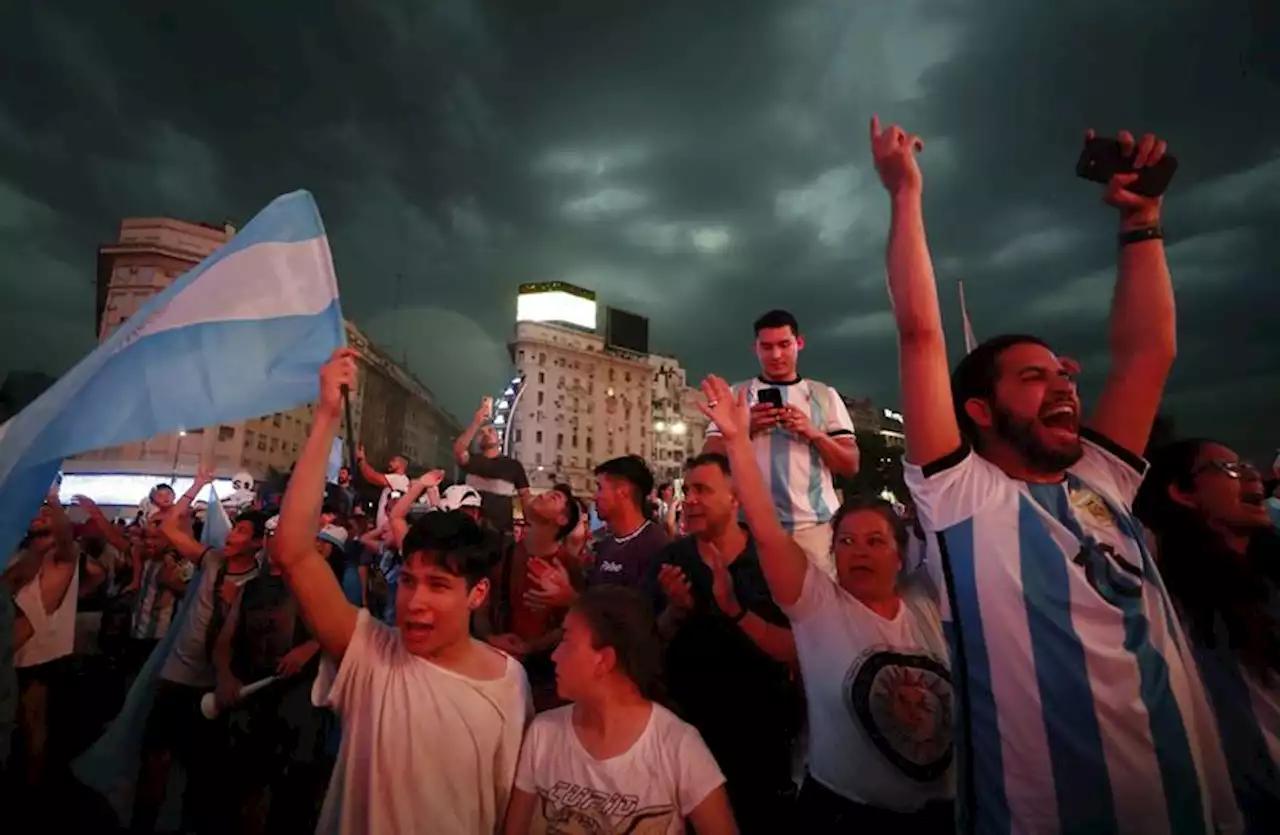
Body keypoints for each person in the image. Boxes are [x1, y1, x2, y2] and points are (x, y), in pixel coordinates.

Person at [872, 115, 1240, 833]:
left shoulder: (1102, 479)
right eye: (1032, 377)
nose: (1064, 384)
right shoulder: (961, 497)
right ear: (978, 409)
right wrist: (904, 194)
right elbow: (920, 332)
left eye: (1063, 371)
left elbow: (1145, 355)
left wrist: (1143, 221)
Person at [272, 348, 529, 835]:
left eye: (439, 585)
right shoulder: (368, 654)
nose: (416, 600)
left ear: (477, 595)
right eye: (409, 580)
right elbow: (292, 553)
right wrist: (327, 415)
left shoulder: (510, 685)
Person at [701, 379, 953, 831]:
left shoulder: (930, 603)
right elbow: (768, 531)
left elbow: (946, 502)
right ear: (831, 554)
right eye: (847, 542)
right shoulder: (820, 606)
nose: (860, 551)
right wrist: (739, 443)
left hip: (946, 816)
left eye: (875, 541)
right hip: (842, 815)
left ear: (901, 554)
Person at [504, 585, 737, 835]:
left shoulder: (676, 745)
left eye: (566, 641)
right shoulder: (544, 733)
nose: (555, 655)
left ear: (604, 660)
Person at [1135, 440, 1280, 832]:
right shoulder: (1160, 582)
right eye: (1226, 468)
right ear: (1182, 492)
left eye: (1247, 465)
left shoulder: (1267, 577)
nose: (1250, 474)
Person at [652, 453, 799, 833]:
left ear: (736, 499)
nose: (691, 500)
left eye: (703, 489)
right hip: (686, 733)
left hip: (760, 739)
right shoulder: (671, 559)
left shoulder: (773, 561)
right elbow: (647, 643)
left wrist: (733, 608)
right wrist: (675, 612)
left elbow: (800, 648)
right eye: (688, 490)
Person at [132, 468, 267, 835]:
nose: (231, 534)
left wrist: (234, 604)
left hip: (212, 686)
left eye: (240, 530)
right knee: (155, 759)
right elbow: (171, 530)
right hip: (176, 674)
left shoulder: (258, 583)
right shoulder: (211, 560)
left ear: (256, 543)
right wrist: (195, 486)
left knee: (201, 771)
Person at [702, 310, 859, 577]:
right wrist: (744, 430)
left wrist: (813, 433)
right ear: (755, 349)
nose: (776, 355)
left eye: (784, 345)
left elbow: (850, 465)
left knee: (817, 613)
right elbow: (709, 460)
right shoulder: (736, 395)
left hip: (813, 530)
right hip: (748, 529)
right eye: (767, 346)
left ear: (799, 343)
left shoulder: (824, 395)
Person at [482, 484, 583, 710]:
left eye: (554, 497)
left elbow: (575, 623)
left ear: (562, 520)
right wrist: (490, 637)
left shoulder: (570, 568)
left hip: (546, 684)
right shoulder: (503, 554)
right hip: (497, 670)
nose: (543, 495)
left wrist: (531, 647)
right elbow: (482, 603)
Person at [455, 398, 533, 533]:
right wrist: (475, 423)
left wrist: (529, 525)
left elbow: (525, 497)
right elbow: (459, 450)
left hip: (501, 532)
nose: (486, 434)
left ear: (499, 439)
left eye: (490, 431)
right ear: (477, 440)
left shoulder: (513, 466)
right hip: (468, 529)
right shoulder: (471, 461)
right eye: (481, 433)